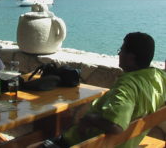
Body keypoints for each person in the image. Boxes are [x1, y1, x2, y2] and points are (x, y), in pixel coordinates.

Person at [29, 32, 166, 148]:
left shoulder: (127, 85)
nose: (119, 53)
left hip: (83, 143)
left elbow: (116, 126)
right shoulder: (159, 77)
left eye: (122, 50)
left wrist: (89, 118)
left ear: (131, 58)